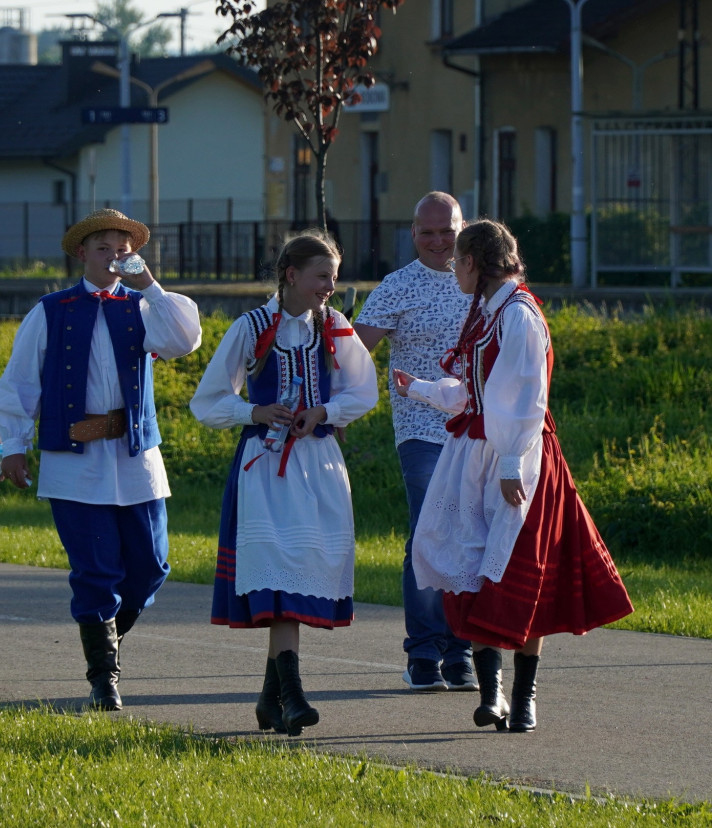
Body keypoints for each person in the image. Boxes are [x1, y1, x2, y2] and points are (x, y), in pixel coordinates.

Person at [394, 218, 634, 732]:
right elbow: (474, 393)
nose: (453, 267)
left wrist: (508, 465)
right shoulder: (486, 311)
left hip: (518, 460)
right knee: (472, 568)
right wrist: (419, 389)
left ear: (476, 263)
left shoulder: (519, 315)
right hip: (475, 456)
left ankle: (523, 697)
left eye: (459, 259)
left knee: (520, 574)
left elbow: (526, 398)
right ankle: (491, 694)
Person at [0, 208, 202, 712]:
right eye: (103, 248)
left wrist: (149, 284)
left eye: (123, 249)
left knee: (151, 565)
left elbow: (184, 341)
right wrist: (13, 445)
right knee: (95, 570)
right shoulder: (52, 310)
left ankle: (105, 635)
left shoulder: (145, 307)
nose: (115, 257)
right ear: (82, 253)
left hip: (135, 455)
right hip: (74, 459)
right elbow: (20, 383)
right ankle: (103, 677)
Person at [190, 229, 378, 736]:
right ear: (292, 275)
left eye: (334, 279)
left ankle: (272, 699)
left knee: (295, 574)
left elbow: (365, 390)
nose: (329, 289)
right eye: (322, 277)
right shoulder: (252, 327)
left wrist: (326, 410)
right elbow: (207, 401)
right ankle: (292, 697)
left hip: (317, 466)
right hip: (265, 466)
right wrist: (252, 409)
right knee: (276, 575)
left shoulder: (334, 327)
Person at [353, 192, 475, 692]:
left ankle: (460, 651)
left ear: (462, 229)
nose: (438, 241)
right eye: (428, 232)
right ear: (413, 234)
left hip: (475, 430)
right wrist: (333, 412)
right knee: (428, 532)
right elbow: (353, 354)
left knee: (468, 534)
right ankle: (423, 653)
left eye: (447, 230)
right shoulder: (396, 286)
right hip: (421, 430)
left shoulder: (483, 286)